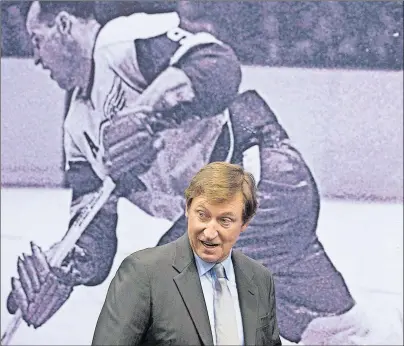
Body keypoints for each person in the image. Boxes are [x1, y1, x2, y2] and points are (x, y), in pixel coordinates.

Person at [5, 1, 402, 345]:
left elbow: (217, 65)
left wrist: (148, 111)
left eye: (37, 41)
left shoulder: (121, 41)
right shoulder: (77, 128)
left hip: (257, 176)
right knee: (334, 330)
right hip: (245, 214)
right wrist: (67, 268)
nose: (36, 58)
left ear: (63, 26)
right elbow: (93, 229)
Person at [92, 161, 282, 345]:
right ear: (187, 210)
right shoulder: (142, 274)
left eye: (225, 220)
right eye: (202, 215)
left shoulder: (260, 280)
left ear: (244, 224)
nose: (209, 232)